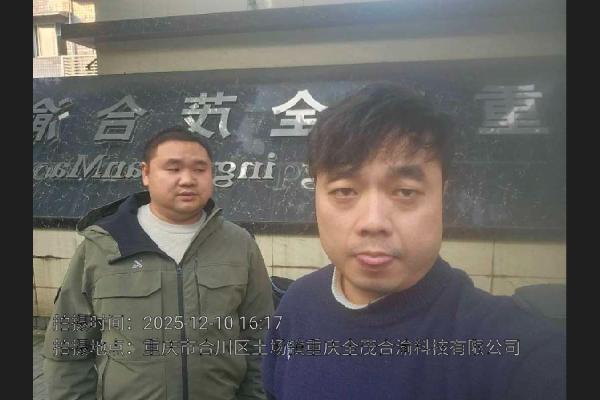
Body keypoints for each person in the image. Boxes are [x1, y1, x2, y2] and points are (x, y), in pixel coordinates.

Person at [261, 85, 565, 400]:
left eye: (405, 192)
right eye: (345, 191)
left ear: (442, 196)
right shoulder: (298, 305)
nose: (373, 222)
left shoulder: (510, 347)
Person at [43, 126, 274, 400]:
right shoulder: (103, 245)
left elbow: (261, 337)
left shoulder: (239, 244)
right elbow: (68, 347)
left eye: (200, 169)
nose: (187, 180)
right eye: (173, 168)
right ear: (146, 173)